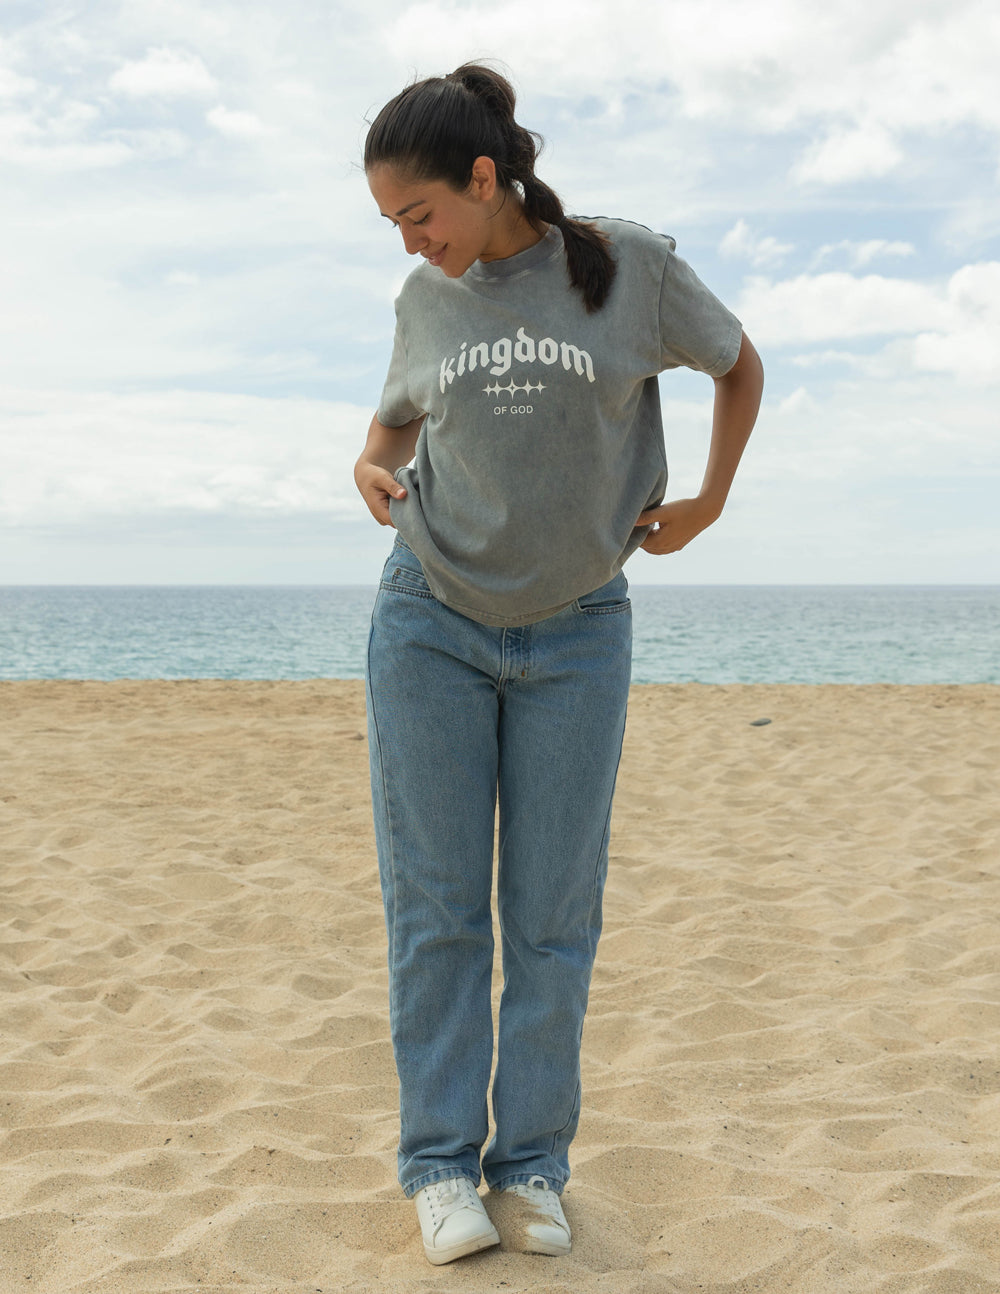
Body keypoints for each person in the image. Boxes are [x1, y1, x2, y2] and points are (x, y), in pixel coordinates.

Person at [355, 63, 763, 1267]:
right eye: (391, 226)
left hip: (581, 629)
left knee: (550, 917)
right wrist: (366, 468)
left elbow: (737, 363)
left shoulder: (626, 264)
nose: (412, 241)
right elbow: (390, 427)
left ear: (485, 178)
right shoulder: (423, 301)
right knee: (436, 912)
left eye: (419, 213)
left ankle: (529, 1164)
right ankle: (439, 1166)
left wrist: (709, 501)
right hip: (427, 620)